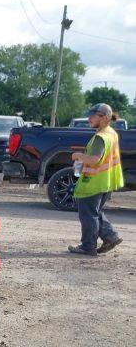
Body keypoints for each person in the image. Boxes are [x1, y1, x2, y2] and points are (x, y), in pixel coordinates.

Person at [67, 103, 125, 256]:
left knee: (88, 214)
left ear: (104, 117)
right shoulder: (111, 133)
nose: (89, 119)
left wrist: (78, 155)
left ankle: (88, 246)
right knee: (94, 211)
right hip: (106, 181)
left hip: (94, 181)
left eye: (92, 116)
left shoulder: (101, 137)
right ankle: (110, 237)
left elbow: (94, 159)